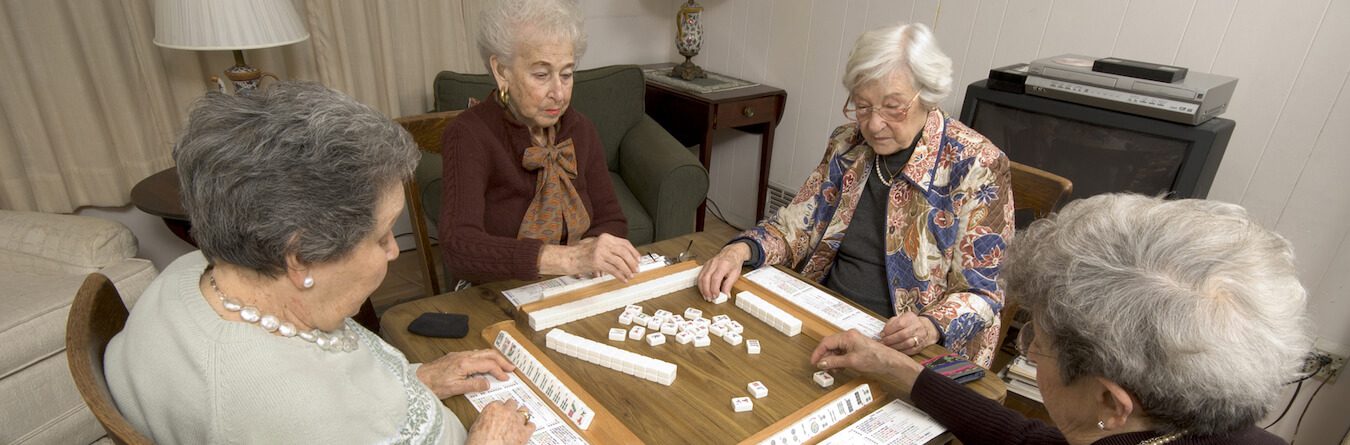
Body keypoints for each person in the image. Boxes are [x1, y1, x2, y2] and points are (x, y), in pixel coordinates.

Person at [105, 82, 535, 444]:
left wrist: (415, 379)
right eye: (382, 235)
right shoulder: (283, 407)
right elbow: (303, 412)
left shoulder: (191, 273)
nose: (391, 251)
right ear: (302, 258)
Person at [812, 194, 1307, 444]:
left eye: (1035, 342)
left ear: (1112, 403)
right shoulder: (1193, 426)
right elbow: (1033, 441)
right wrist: (896, 369)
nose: (1026, 351)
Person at [697, 22, 1013, 367]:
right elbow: (796, 226)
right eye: (862, 106)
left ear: (928, 93)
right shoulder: (848, 143)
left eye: (893, 107)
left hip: (908, 348)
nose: (874, 124)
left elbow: (983, 293)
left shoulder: (978, 165)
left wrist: (929, 327)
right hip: (826, 312)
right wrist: (741, 249)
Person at [439, 0, 640, 284]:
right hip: (496, 290)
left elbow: (612, 220)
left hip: (573, 285)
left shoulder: (581, 130)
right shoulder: (469, 134)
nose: (558, 93)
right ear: (502, 71)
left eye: (567, 74)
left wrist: (594, 251)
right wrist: (568, 259)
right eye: (542, 75)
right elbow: (457, 246)